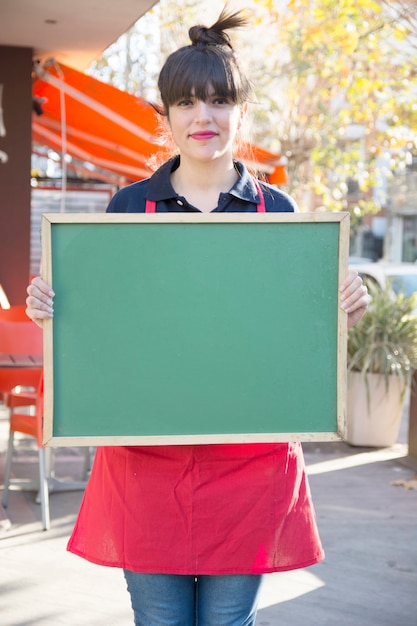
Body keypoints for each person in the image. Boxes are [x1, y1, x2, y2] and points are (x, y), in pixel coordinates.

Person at [26, 9, 370, 626]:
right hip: (146, 462)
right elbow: (102, 336)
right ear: (165, 118)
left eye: (217, 102)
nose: (202, 118)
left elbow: (295, 341)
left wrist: (340, 308)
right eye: (185, 104)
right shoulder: (128, 208)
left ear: (241, 111)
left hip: (250, 464)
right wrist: (52, 309)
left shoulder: (280, 214)